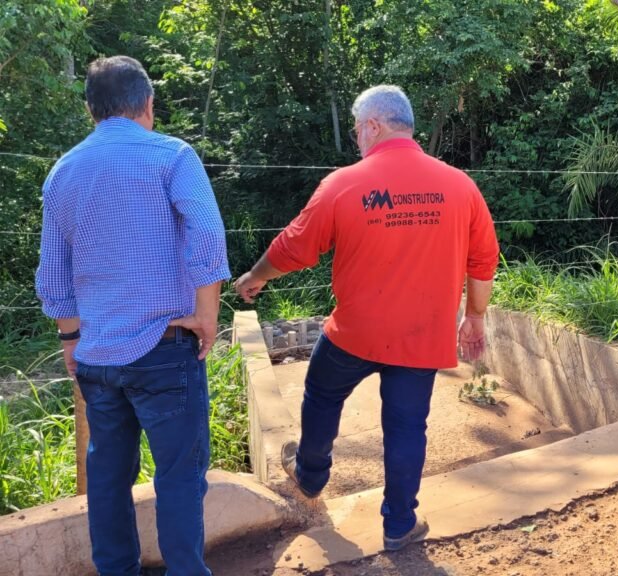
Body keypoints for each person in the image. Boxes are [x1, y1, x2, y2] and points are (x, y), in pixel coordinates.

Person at [233, 85, 499, 552]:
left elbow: (295, 246)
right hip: (422, 339)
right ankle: (399, 525)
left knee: (320, 393)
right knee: (406, 427)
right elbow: (483, 262)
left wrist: (255, 277)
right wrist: (474, 318)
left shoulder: (345, 183)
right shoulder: (460, 186)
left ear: (373, 125)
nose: (357, 139)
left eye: (358, 130)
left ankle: (312, 474)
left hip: (354, 335)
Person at [35, 55, 229, 576]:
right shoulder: (171, 155)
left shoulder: (63, 172)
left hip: (96, 356)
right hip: (165, 348)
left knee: (107, 479)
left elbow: (53, 271)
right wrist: (207, 314)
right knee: (179, 478)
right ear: (148, 103)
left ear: (90, 110)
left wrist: (71, 341)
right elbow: (207, 233)